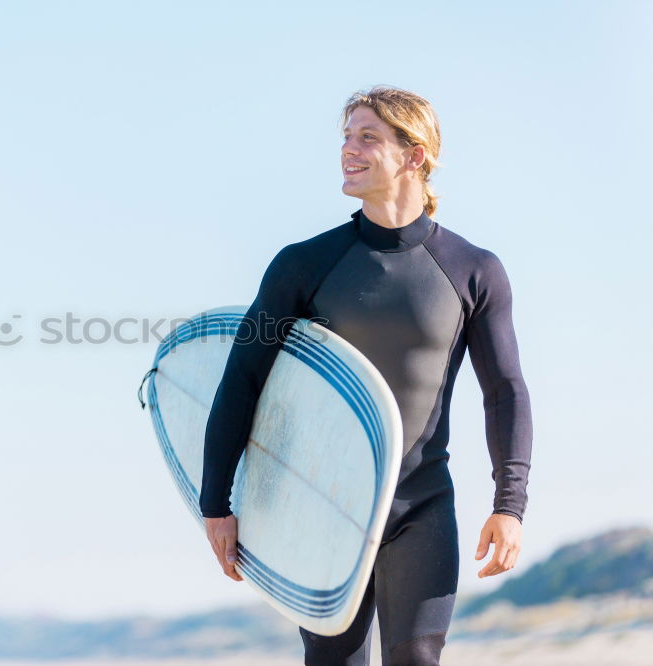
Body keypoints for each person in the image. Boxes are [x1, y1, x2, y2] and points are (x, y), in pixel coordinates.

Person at [198, 86, 532, 665]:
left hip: (420, 503)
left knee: (417, 658)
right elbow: (242, 380)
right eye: (346, 137)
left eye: (367, 137)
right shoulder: (303, 265)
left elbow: (504, 391)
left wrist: (510, 504)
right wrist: (215, 503)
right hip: (323, 508)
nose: (348, 150)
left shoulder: (473, 271)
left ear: (414, 155)